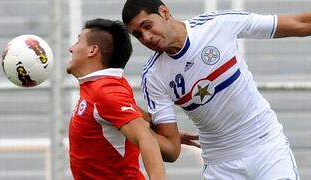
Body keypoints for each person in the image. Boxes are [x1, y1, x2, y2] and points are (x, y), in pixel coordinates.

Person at [122, 0, 311, 179]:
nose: (146, 38)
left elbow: (299, 23)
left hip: (265, 147)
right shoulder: (153, 76)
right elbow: (171, 151)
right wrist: (131, 121)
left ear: (164, 12)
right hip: (220, 164)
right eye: (138, 35)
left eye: (147, 26)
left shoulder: (216, 25)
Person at [66, 18, 166, 180]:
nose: (71, 49)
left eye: (78, 42)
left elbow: (145, 138)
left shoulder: (105, 91)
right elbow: (140, 120)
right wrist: (167, 134)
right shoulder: (102, 86)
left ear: (93, 50)